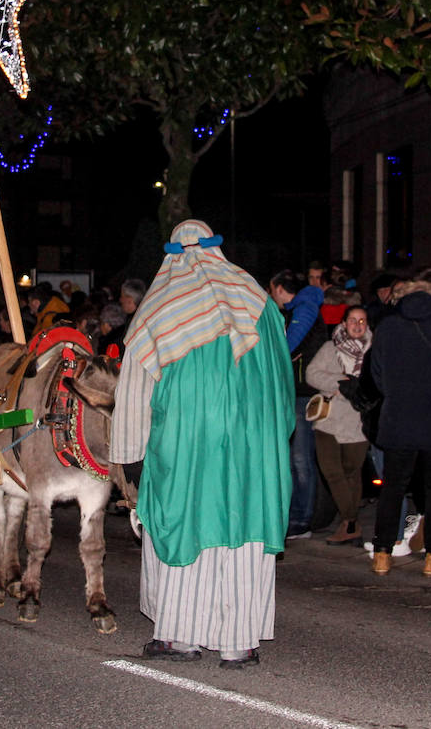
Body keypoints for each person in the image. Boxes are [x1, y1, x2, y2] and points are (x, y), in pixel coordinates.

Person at [112, 220, 293, 668]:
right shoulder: (259, 302)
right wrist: (273, 438)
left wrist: (130, 459)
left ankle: (180, 637)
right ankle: (238, 642)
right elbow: (284, 383)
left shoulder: (160, 306)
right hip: (253, 446)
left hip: (188, 444)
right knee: (243, 530)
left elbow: (134, 392)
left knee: (187, 526)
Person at [367, 268, 431, 578]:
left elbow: (376, 371)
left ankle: (382, 553)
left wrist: (395, 393)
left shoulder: (387, 326)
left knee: (393, 487)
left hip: (399, 417)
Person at [304, 305, 372, 546]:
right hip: (329, 420)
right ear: (344, 323)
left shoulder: (374, 351)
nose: (357, 325)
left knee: (352, 472)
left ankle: (349, 525)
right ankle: (351, 519)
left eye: (362, 321)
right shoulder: (329, 347)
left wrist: (359, 388)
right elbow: (311, 374)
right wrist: (339, 383)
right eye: (352, 320)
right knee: (331, 471)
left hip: (358, 421)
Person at [269, 269, 329, 539]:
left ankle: (302, 520)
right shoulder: (298, 309)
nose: (272, 296)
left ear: (280, 289)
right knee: (295, 458)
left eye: (273, 290)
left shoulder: (304, 308)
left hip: (304, 392)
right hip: (297, 391)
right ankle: (295, 516)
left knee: (300, 458)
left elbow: (287, 346)